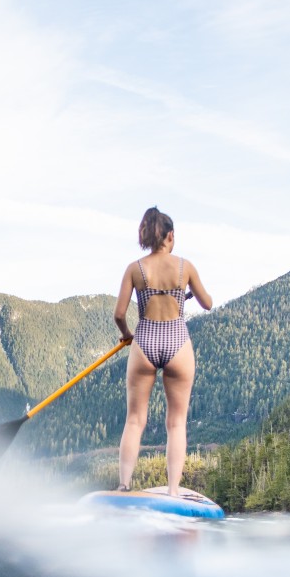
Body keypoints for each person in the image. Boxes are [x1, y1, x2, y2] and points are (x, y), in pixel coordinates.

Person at [113, 206, 213, 496]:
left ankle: (124, 485)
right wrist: (187, 292)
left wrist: (127, 335)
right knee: (176, 422)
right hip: (177, 343)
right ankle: (172, 491)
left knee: (134, 420)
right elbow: (207, 303)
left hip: (144, 342)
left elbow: (119, 314)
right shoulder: (185, 267)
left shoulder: (135, 269)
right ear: (171, 236)